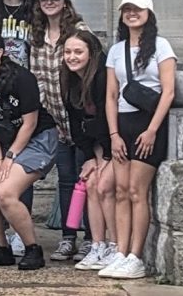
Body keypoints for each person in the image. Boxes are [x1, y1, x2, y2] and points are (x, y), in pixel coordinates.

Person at [98, 0, 176, 280]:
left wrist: (153, 129)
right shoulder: (116, 50)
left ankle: (136, 255)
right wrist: (113, 134)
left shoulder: (161, 46)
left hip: (148, 122)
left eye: (138, 9)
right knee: (120, 191)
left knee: (135, 191)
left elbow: (168, 91)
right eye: (127, 9)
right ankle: (120, 251)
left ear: (149, 13)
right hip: (123, 123)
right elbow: (110, 95)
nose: (132, 14)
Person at [0, 29, 57, 271]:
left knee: (5, 192)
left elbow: (29, 123)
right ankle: (1, 248)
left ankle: (32, 249)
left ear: (0, 52)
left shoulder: (23, 78)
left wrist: (9, 158)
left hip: (36, 139)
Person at [27, 0, 92, 262]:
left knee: (86, 179)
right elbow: (35, 76)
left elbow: (91, 72)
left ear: (65, 1)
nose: (49, 3)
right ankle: (68, 237)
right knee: (65, 180)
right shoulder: (35, 35)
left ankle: (91, 237)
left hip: (79, 119)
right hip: (54, 118)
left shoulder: (79, 32)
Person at [60, 30, 117, 271]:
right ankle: (97, 245)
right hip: (95, 147)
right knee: (91, 184)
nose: (72, 57)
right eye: (67, 52)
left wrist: (104, 157)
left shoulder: (103, 78)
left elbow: (106, 119)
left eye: (78, 52)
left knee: (103, 185)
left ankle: (116, 245)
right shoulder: (70, 81)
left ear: (91, 54)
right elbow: (77, 124)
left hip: (116, 143)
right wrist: (91, 157)